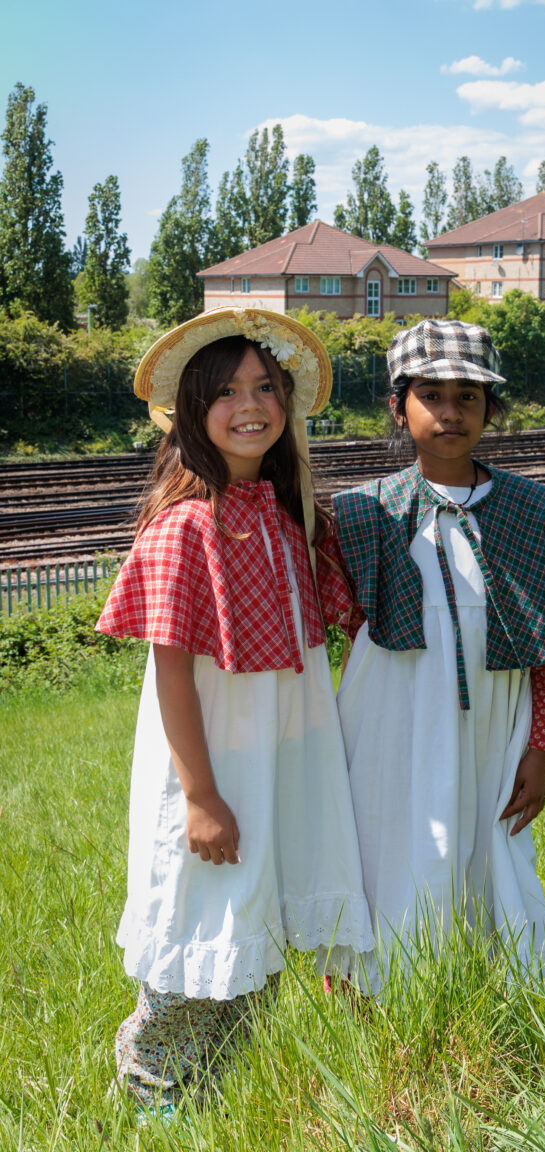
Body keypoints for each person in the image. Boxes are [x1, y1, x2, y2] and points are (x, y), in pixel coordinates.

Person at [97, 308, 373, 1118]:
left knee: (250, 947)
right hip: (211, 772)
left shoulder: (288, 521)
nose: (249, 405)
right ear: (191, 411)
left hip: (273, 772)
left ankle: (215, 1103)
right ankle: (149, 1103)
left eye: (264, 387)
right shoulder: (186, 527)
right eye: (225, 392)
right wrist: (202, 796)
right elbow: (173, 674)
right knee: (199, 933)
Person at [332, 319, 545, 993]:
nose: (451, 412)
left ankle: (498, 998)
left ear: (492, 408)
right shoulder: (362, 513)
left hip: (495, 727)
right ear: (399, 406)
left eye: (470, 397)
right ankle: (370, 1000)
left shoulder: (535, 512)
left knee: (493, 857)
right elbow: (338, 636)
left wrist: (541, 747)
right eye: (432, 395)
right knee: (384, 853)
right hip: (388, 728)